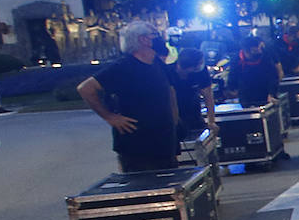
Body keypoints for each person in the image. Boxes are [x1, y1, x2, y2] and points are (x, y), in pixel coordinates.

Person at [77, 20, 179, 173]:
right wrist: (110, 117)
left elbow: (169, 91)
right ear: (143, 39)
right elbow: (85, 88)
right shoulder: (124, 67)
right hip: (138, 145)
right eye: (155, 35)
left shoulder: (156, 63)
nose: (160, 38)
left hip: (164, 141)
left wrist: (174, 119)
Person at [168, 47, 217, 141]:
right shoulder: (167, 72)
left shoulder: (201, 71)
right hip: (172, 115)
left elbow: (208, 96)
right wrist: (175, 122)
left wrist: (211, 121)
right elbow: (170, 100)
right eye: (199, 63)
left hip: (194, 113)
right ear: (191, 67)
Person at [229, 36, 281, 107]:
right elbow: (232, 80)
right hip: (246, 96)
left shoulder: (265, 56)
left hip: (266, 92)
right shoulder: (236, 61)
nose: (259, 52)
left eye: (259, 49)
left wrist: (271, 93)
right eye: (255, 51)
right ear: (246, 51)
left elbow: (273, 76)